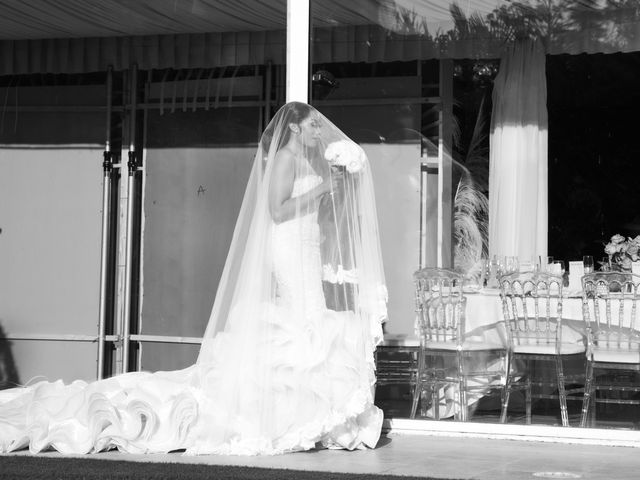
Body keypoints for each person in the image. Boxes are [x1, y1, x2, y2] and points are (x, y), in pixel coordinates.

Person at [0, 102, 388, 455]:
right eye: (314, 126)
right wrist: (322, 188)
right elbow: (276, 210)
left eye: (320, 126)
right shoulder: (285, 157)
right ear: (297, 129)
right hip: (288, 250)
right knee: (305, 318)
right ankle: (290, 416)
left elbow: (307, 207)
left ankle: (309, 415)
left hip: (305, 247)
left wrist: (333, 187)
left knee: (307, 318)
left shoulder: (307, 162)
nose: (321, 131)